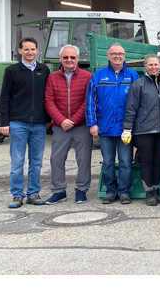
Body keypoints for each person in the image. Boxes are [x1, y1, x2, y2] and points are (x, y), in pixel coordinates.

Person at [0, 37, 50, 208]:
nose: (30, 52)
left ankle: (33, 193)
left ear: (37, 51)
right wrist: (4, 122)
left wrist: (47, 120)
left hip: (38, 124)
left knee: (36, 161)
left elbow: (48, 97)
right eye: (26, 49)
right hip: (17, 123)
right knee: (17, 162)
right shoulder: (12, 71)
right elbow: (5, 98)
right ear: (20, 51)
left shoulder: (44, 70)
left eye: (33, 49)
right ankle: (17, 195)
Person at [87, 43, 139, 205]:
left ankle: (124, 192)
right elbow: (90, 101)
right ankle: (111, 191)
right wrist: (92, 123)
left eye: (121, 54)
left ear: (124, 56)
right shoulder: (98, 75)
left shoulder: (132, 75)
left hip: (126, 128)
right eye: (114, 53)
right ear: (108, 56)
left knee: (125, 162)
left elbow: (138, 102)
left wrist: (135, 126)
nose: (118, 56)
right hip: (105, 127)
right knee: (108, 162)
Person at [44, 45, 93, 205]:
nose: (69, 60)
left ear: (78, 59)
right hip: (60, 126)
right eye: (66, 57)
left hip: (81, 125)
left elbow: (88, 101)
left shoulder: (87, 77)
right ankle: (58, 191)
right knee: (56, 159)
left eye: (72, 57)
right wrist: (61, 120)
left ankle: (81, 190)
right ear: (60, 59)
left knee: (84, 159)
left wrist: (75, 119)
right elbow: (49, 101)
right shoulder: (52, 78)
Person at [123, 54, 160, 206]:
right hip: (144, 130)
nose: (153, 67)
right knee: (146, 161)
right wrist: (127, 128)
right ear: (145, 67)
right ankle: (149, 192)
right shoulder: (138, 85)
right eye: (150, 65)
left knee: (159, 161)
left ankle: (157, 190)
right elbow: (131, 108)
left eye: (156, 65)